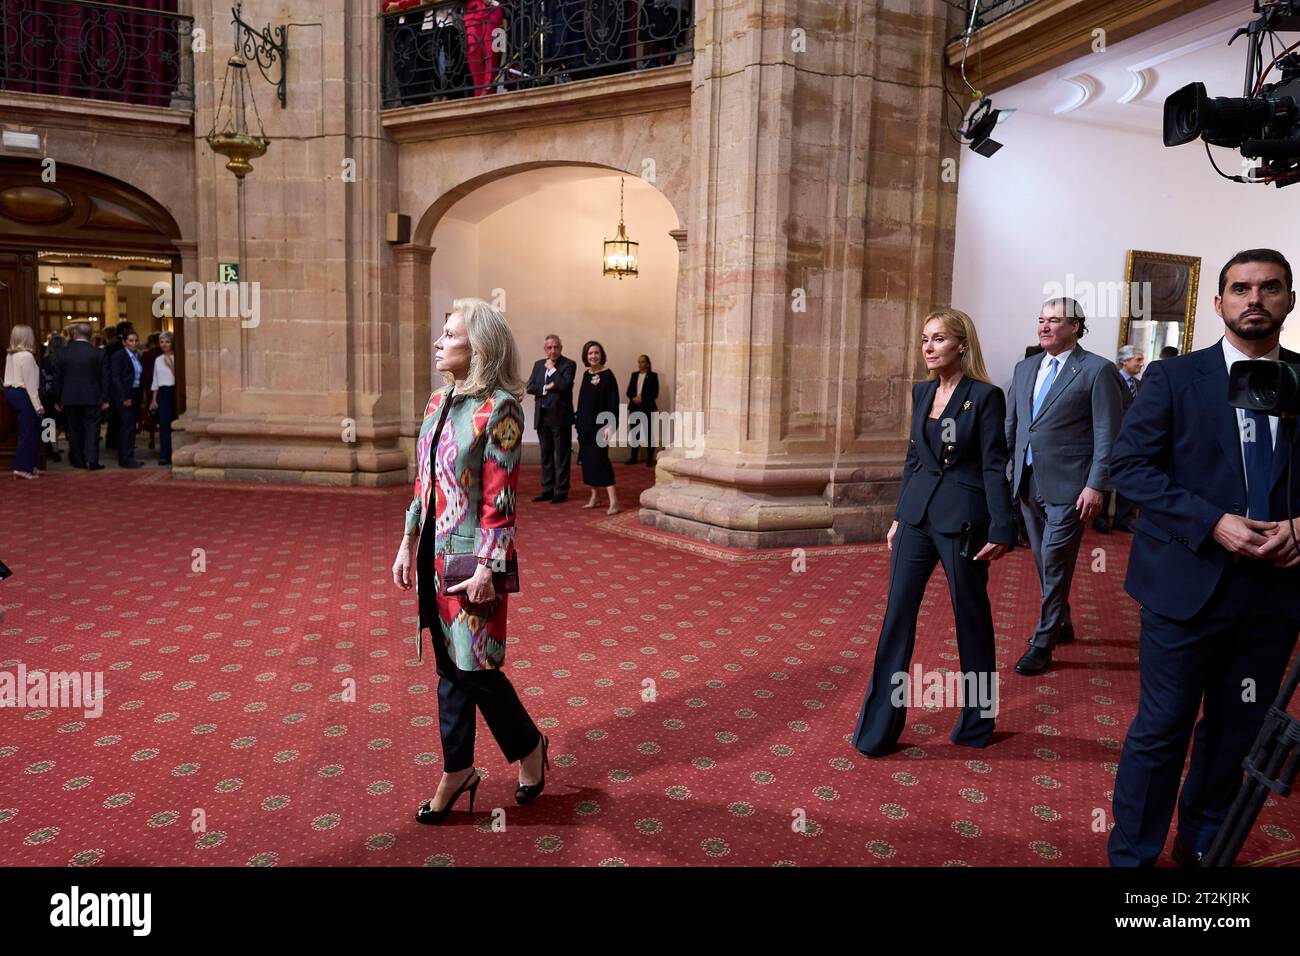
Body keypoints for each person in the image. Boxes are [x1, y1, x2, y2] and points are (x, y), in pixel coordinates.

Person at [1107, 249, 1300, 867]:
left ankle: (1204, 847)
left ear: (1289, 301)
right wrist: (1212, 522)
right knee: (1161, 731)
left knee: (1235, 731)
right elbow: (1128, 469)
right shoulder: (1173, 377)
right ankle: (1133, 857)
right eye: (1240, 288)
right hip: (1185, 589)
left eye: (1270, 288)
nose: (1254, 299)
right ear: (1218, 303)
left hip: (1274, 596)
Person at [391, 297, 549, 824]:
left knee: (476, 669)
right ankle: (457, 769)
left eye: (450, 334)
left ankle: (529, 747)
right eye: (442, 331)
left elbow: (499, 496)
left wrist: (489, 567)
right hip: (433, 552)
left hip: (471, 560)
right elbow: (424, 481)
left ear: (477, 346)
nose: (439, 341)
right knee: (447, 667)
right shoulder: (438, 403)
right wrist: (408, 540)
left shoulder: (500, 407)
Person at [851, 309, 1015, 756]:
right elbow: (913, 459)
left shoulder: (985, 396)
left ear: (961, 344)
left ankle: (977, 722)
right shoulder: (921, 392)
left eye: (939, 338)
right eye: (925, 338)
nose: (928, 347)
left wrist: (1002, 525)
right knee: (896, 620)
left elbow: (994, 464)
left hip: (963, 520)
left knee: (971, 620)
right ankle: (878, 728)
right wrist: (899, 516)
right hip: (916, 520)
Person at [1005, 297, 1125, 675]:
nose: (1044, 327)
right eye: (1041, 319)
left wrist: (1097, 485)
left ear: (1075, 327)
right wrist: (1006, 471)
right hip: (1027, 482)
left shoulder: (1097, 370)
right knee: (1042, 559)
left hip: (1072, 488)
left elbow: (1108, 431)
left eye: (1054, 321)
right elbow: (1014, 426)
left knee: (1055, 560)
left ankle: (1042, 642)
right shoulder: (1025, 368)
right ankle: (1062, 621)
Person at [1095, 345, 1145, 534]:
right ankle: (1099, 519)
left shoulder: (1140, 385)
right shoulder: (1111, 380)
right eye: (1138, 360)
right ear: (1125, 361)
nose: (1142, 364)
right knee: (1105, 478)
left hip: (1133, 441)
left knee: (1129, 477)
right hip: (1112, 438)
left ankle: (1123, 518)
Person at [525, 334, 576, 504]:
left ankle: (561, 490)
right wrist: (546, 388)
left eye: (556, 347)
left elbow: (564, 385)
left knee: (561, 456)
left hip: (561, 418)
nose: (553, 351)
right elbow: (530, 387)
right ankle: (547, 489)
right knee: (546, 455)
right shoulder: (539, 365)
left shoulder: (569, 364)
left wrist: (553, 370)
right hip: (543, 417)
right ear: (545, 349)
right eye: (549, 348)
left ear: (561, 348)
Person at [52, 324, 108, 470]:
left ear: (75, 334)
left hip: (70, 398)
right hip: (93, 397)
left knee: (74, 430)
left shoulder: (63, 353)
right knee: (92, 430)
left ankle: (78, 461)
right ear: (89, 335)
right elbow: (105, 378)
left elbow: (57, 378)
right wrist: (105, 399)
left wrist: (57, 399)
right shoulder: (98, 353)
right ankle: (92, 461)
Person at [576, 339, 621, 514]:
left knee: (601, 461)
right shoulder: (586, 375)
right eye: (590, 353)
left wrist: (610, 427)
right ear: (586, 357)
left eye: (596, 352)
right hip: (585, 427)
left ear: (601, 355)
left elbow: (613, 404)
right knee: (587, 462)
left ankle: (614, 501)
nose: (593, 356)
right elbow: (582, 401)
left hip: (601, 428)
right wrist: (579, 423)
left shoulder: (608, 376)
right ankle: (595, 496)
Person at [3, 324, 44, 480]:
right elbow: (31, 385)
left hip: (12, 393)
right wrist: (38, 406)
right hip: (23, 394)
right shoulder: (26, 356)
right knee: (29, 433)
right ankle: (21, 468)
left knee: (29, 431)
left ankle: (29, 465)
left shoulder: (11, 355)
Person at [108, 329, 144, 468]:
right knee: (126, 428)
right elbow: (116, 378)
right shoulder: (119, 356)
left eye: (136, 340)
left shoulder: (136, 356)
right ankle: (126, 459)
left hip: (135, 394)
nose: (134, 343)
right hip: (125, 396)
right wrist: (124, 397)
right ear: (124, 342)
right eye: (130, 340)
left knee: (130, 427)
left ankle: (129, 457)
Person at [149, 331, 177, 466]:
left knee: (175, 425)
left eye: (167, 341)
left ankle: (176, 454)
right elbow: (155, 380)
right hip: (163, 394)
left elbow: (180, 377)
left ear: (172, 343)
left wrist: (171, 364)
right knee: (164, 425)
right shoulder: (157, 359)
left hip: (175, 392)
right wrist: (154, 400)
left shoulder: (178, 357)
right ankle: (164, 455)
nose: (164, 344)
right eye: (161, 342)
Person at [626, 353, 659, 465]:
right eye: (639, 362)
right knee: (635, 433)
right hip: (634, 407)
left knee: (649, 433)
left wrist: (642, 399)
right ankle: (633, 458)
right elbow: (629, 391)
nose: (640, 364)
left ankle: (650, 458)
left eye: (642, 362)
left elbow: (655, 393)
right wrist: (633, 398)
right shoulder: (634, 375)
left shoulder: (653, 376)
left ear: (648, 364)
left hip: (647, 407)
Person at [39, 334, 65, 463]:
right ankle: (54, 449)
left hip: (46, 395)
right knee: (60, 424)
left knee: (48, 422)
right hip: (59, 396)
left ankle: (48, 449)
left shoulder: (44, 360)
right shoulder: (62, 361)